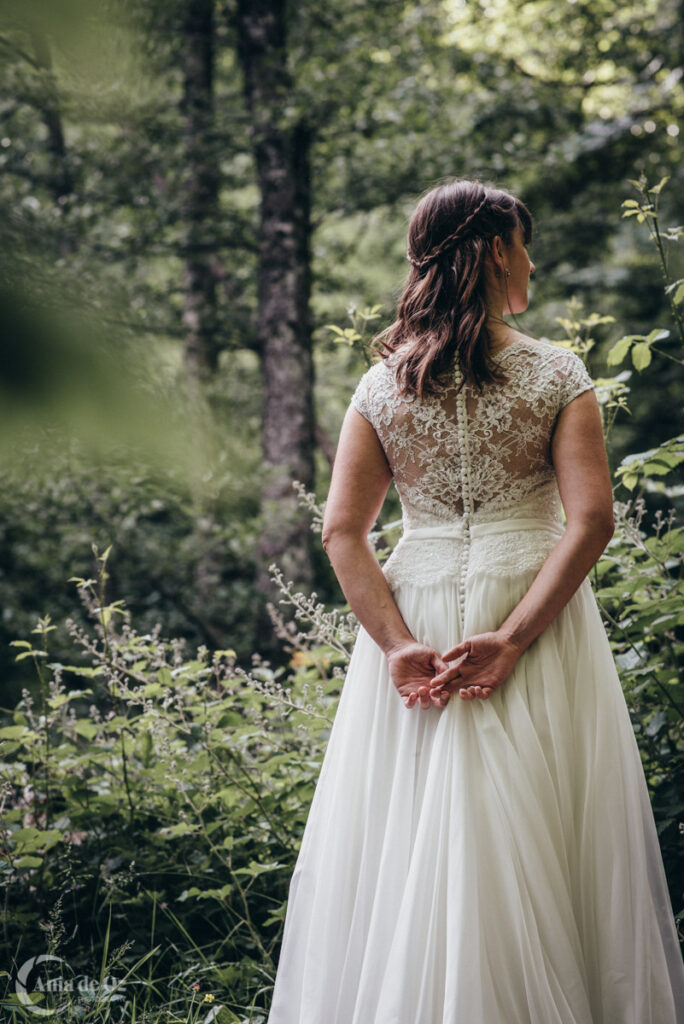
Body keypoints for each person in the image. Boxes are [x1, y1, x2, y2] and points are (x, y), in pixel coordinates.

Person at [267, 180, 684, 1024]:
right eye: (524, 243)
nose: (531, 259)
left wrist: (393, 646)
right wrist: (516, 638)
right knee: (550, 827)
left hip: (416, 610)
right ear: (496, 249)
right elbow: (593, 518)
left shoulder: (381, 388)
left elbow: (344, 532)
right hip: (530, 602)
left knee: (408, 833)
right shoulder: (557, 372)